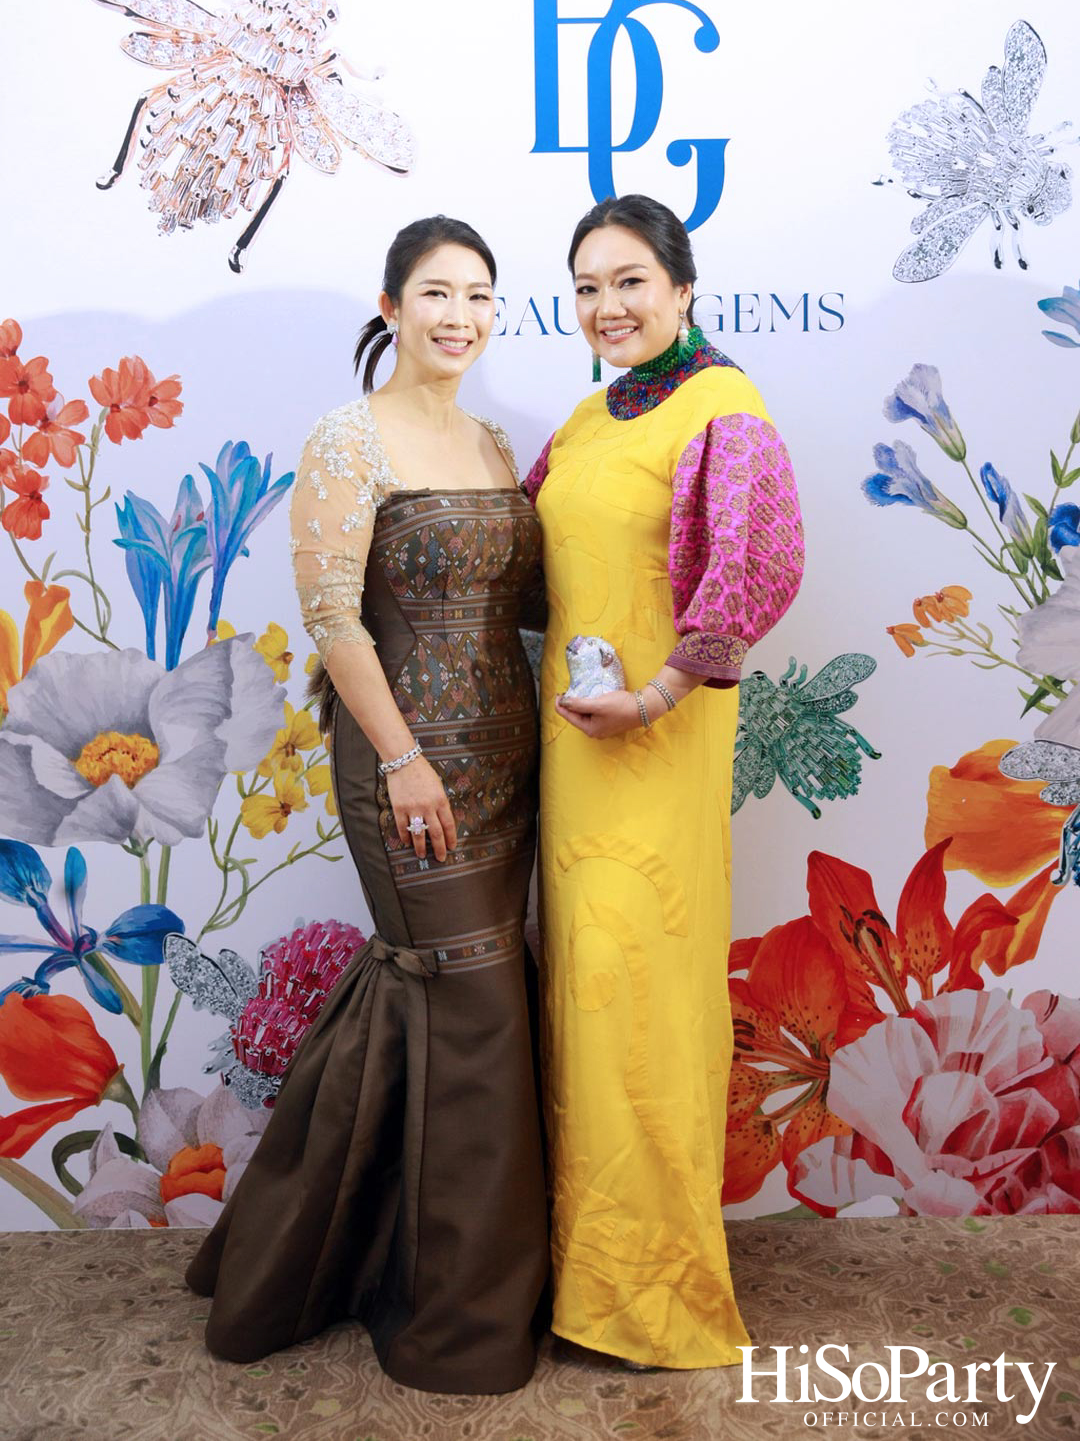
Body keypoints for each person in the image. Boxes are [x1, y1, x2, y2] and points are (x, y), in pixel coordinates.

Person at [186, 216, 550, 1395]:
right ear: (391, 307)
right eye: (437, 293)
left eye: (481, 296)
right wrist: (403, 761)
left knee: (441, 1002)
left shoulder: (494, 442)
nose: (460, 315)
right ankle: (460, 1324)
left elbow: (529, 605)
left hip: (508, 760)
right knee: (477, 1009)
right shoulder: (346, 438)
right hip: (407, 764)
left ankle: (311, 1252)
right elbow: (335, 621)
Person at [524, 194, 804, 1370]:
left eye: (630, 281)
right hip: (568, 754)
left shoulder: (721, 403)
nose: (608, 306)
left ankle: (660, 1297)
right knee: (580, 1006)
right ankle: (581, 1284)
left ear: (684, 288)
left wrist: (654, 696)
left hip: (654, 744)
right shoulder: (589, 417)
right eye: (588, 287)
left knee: (636, 997)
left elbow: (760, 564)